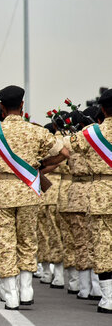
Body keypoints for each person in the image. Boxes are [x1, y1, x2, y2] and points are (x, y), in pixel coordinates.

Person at [0, 85, 68, 310]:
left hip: (3, 189)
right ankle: (26, 290)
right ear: (22, 106)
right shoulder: (37, 131)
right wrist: (41, 167)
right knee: (27, 239)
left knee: (5, 241)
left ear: (2, 108)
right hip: (29, 190)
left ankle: (10, 293)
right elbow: (63, 152)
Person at [65, 89, 112, 314]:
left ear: (102, 110)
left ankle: (108, 298)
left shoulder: (91, 133)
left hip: (101, 193)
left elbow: (65, 147)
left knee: (102, 245)